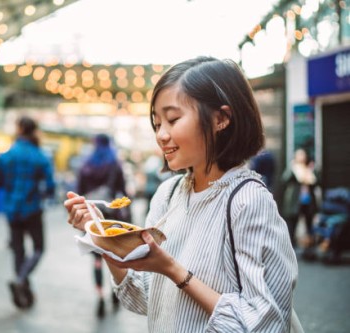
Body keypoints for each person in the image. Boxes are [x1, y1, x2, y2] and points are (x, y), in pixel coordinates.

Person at [64, 57, 298, 332]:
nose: (161, 135)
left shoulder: (248, 202)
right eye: (157, 123)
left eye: (173, 119)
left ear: (220, 118)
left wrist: (174, 270)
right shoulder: (167, 194)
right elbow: (144, 299)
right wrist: (103, 237)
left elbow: (265, 324)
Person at [0, 115, 56, 310]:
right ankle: (21, 281)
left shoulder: (7, 155)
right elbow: (50, 186)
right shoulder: (40, 155)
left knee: (18, 250)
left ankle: (23, 292)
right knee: (38, 248)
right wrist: (40, 193)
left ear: (19, 129)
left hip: (11, 208)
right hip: (32, 208)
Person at [76, 133, 130, 318]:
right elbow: (122, 189)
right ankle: (115, 293)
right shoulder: (114, 163)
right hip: (110, 218)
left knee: (97, 259)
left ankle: (99, 295)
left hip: (91, 218)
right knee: (111, 255)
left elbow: (79, 192)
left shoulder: (86, 164)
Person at [281, 148, 318, 250]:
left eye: (303, 155)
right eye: (299, 155)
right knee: (293, 224)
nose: (301, 158)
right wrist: (291, 169)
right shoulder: (293, 168)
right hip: (295, 201)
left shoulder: (309, 168)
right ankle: (291, 245)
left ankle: (310, 245)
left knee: (309, 223)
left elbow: (316, 182)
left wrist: (311, 172)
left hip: (307, 201)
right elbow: (284, 180)